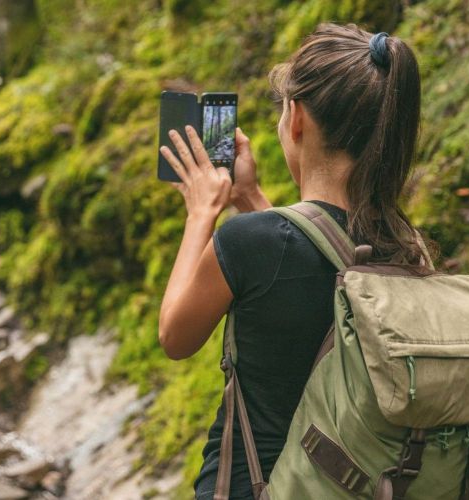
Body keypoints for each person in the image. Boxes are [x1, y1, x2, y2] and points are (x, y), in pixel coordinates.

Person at [157, 23, 430, 499]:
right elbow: (312, 255)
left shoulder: (249, 243)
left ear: (297, 118)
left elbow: (175, 336)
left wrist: (203, 211)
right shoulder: (406, 248)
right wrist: (249, 195)